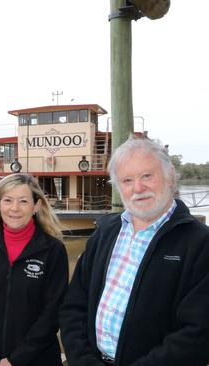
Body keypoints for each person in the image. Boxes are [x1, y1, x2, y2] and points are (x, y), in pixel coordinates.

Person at [60, 136, 209, 365]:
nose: (138, 188)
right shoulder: (104, 233)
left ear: (169, 176)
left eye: (147, 176)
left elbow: (198, 334)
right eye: (127, 180)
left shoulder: (200, 243)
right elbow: (74, 305)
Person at [0, 173, 69, 366]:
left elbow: (53, 313)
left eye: (23, 201)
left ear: (36, 206)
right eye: (8, 200)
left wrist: (16, 359)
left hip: (39, 360)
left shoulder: (53, 250)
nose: (14, 208)